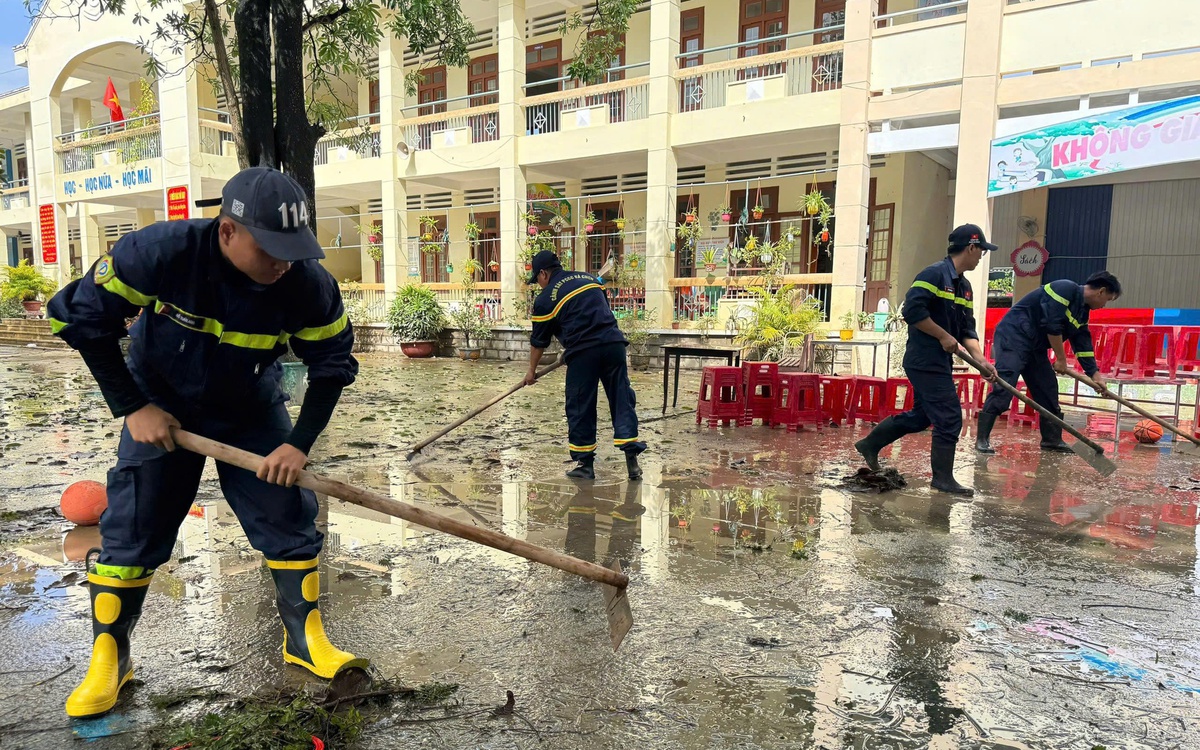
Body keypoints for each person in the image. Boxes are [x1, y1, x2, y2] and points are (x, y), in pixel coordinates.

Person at [48, 167, 366, 718]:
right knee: (135, 523)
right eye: (270, 249)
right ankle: (110, 659)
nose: (282, 263)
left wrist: (298, 443)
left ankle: (304, 638)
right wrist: (133, 407)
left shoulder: (308, 285)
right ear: (227, 231)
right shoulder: (160, 253)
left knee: (285, 512)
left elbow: (332, 365)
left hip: (249, 404)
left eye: (292, 250)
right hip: (159, 400)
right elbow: (80, 320)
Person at [855, 224, 998, 496]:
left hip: (939, 361)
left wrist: (981, 360)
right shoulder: (933, 274)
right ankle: (942, 479)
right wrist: (943, 335)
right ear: (971, 247)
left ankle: (870, 444)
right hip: (923, 359)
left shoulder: (964, 287)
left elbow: (967, 329)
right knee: (949, 417)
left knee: (922, 417)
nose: (982, 256)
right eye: (981, 250)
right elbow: (912, 311)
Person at [524, 250, 646, 480]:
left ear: (543, 273)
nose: (539, 284)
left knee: (580, 405)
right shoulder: (589, 279)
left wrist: (531, 371)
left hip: (584, 353)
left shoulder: (546, 298)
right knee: (622, 399)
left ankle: (585, 465)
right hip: (614, 344)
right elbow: (596, 313)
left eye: (537, 279)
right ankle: (632, 462)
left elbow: (539, 342)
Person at [975, 271, 1121, 454]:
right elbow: (1052, 324)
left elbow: (1082, 345)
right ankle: (982, 439)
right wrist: (1061, 359)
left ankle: (1052, 440)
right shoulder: (1064, 288)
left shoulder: (1082, 313)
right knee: (1005, 384)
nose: (1104, 305)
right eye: (1107, 299)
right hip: (1014, 337)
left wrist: (1095, 375)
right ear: (1101, 291)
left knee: (1048, 388)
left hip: (1035, 346)